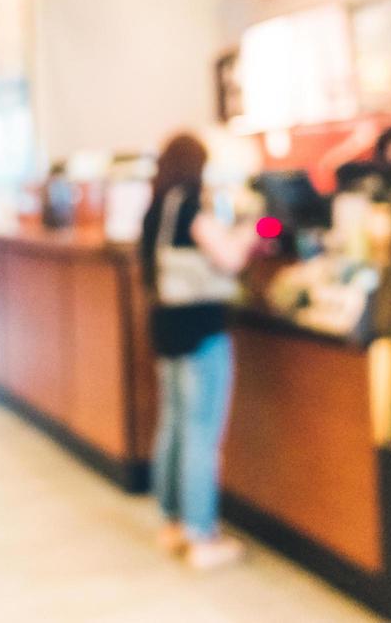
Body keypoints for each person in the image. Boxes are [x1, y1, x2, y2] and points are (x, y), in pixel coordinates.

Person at [139, 133, 258, 570]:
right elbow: (228, 259)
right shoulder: (189, 204)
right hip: (200, 328)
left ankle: (172, 523)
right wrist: (251, 229)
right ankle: (200, 534)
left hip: (165, 326)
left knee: (172, 423)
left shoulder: (156, 206)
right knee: (201, 433)